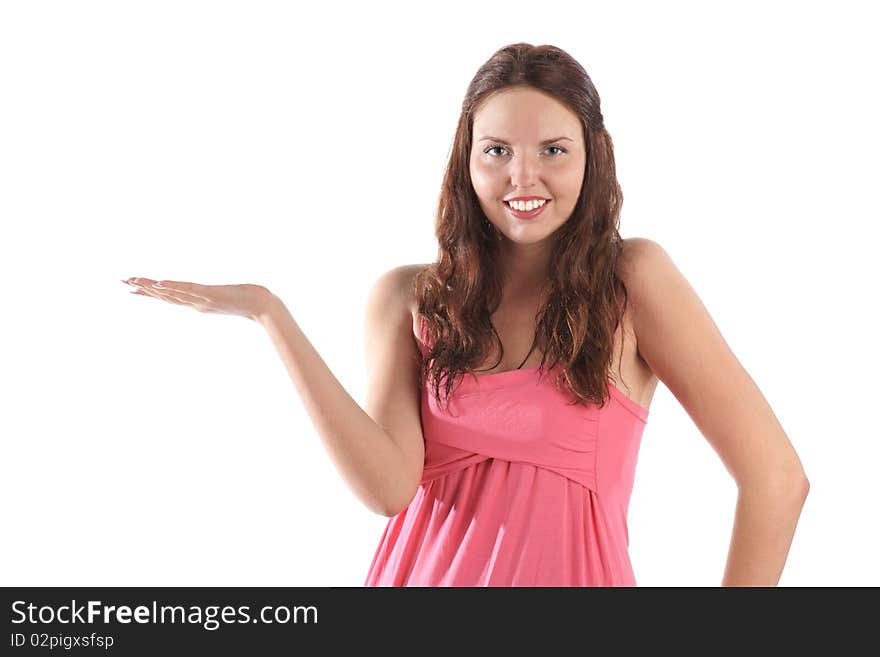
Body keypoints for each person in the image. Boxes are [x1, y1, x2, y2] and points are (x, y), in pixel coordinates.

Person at [122, 43, 809, 587]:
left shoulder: (631, 282)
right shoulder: (408, 298)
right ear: (467, 158)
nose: (523, 178)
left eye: (553, 150)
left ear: (593, 155)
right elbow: (390, 489)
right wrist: (271, 315)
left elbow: (777, 478)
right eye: (497, 150)